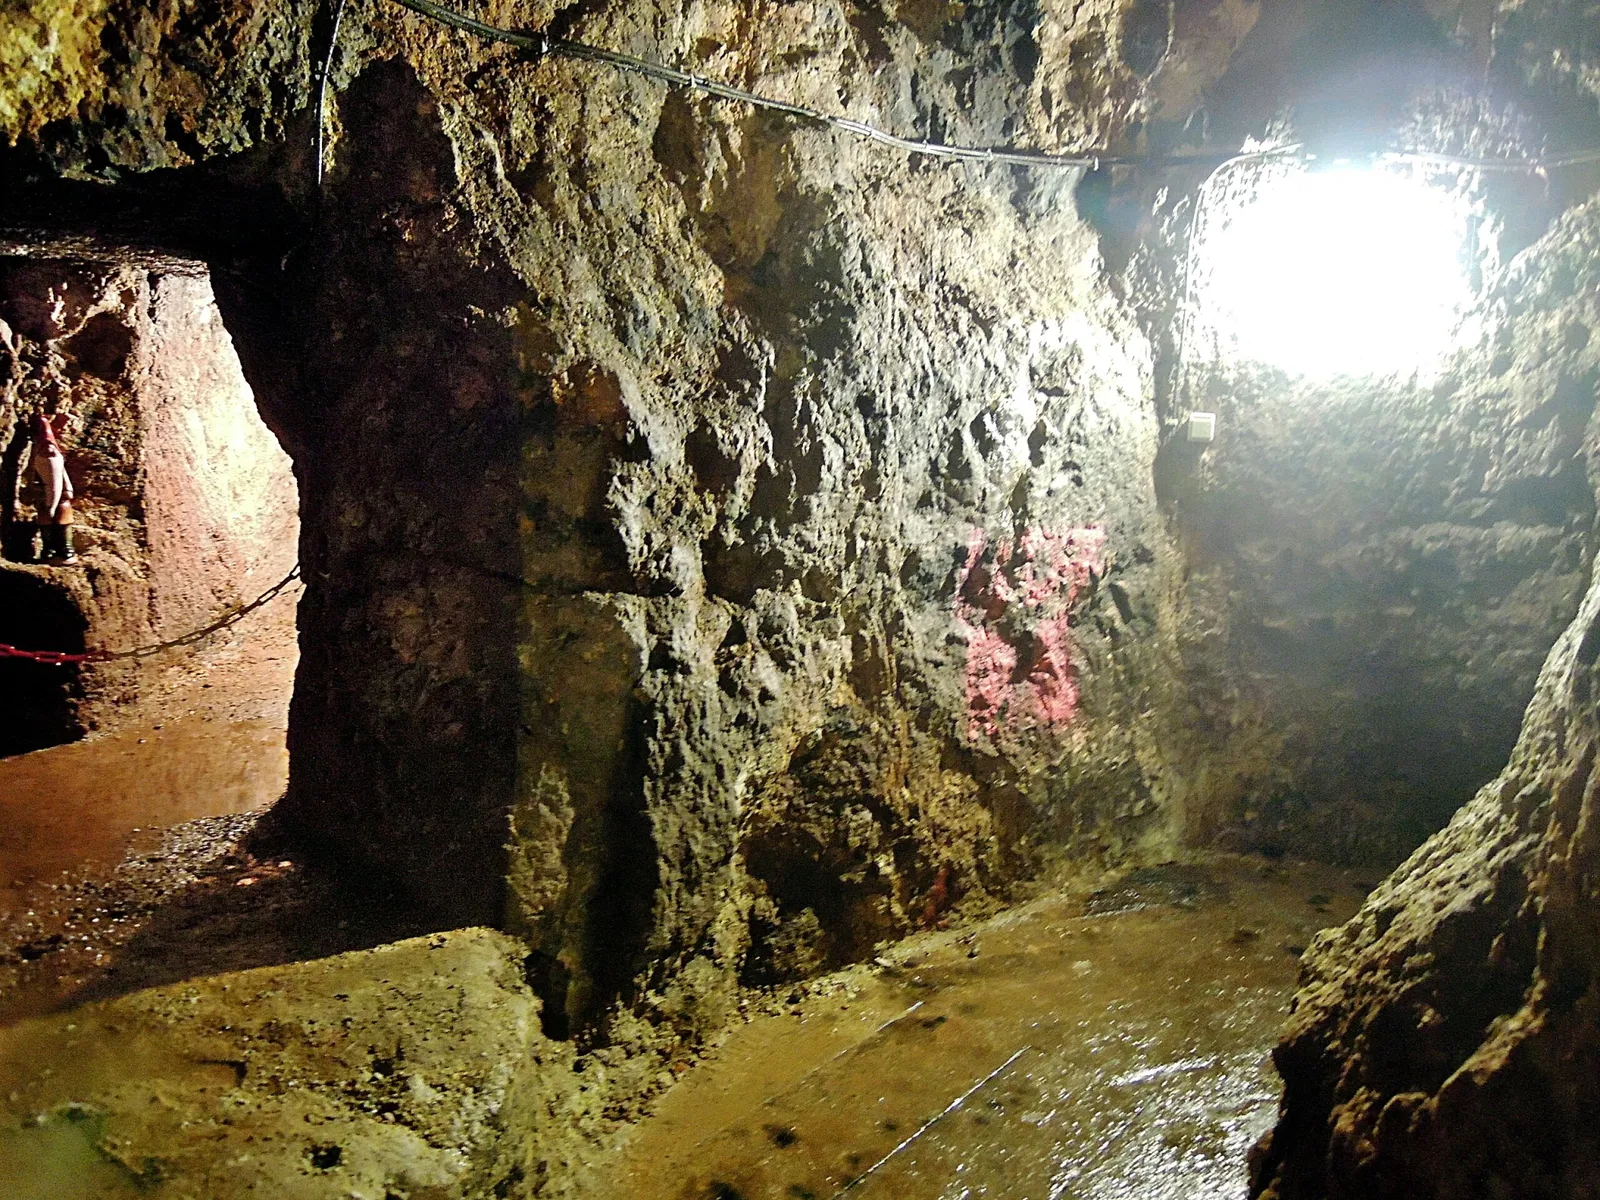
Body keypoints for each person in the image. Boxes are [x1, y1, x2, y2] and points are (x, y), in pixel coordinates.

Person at [28, 375, 77, 565]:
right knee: (54, 514)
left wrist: (51, 504)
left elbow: (55, 482)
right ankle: (54, 551)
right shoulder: (50, 453)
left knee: (54, 514)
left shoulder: (47, 454)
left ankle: (61, 552)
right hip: (53, 496)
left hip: (54, 499)